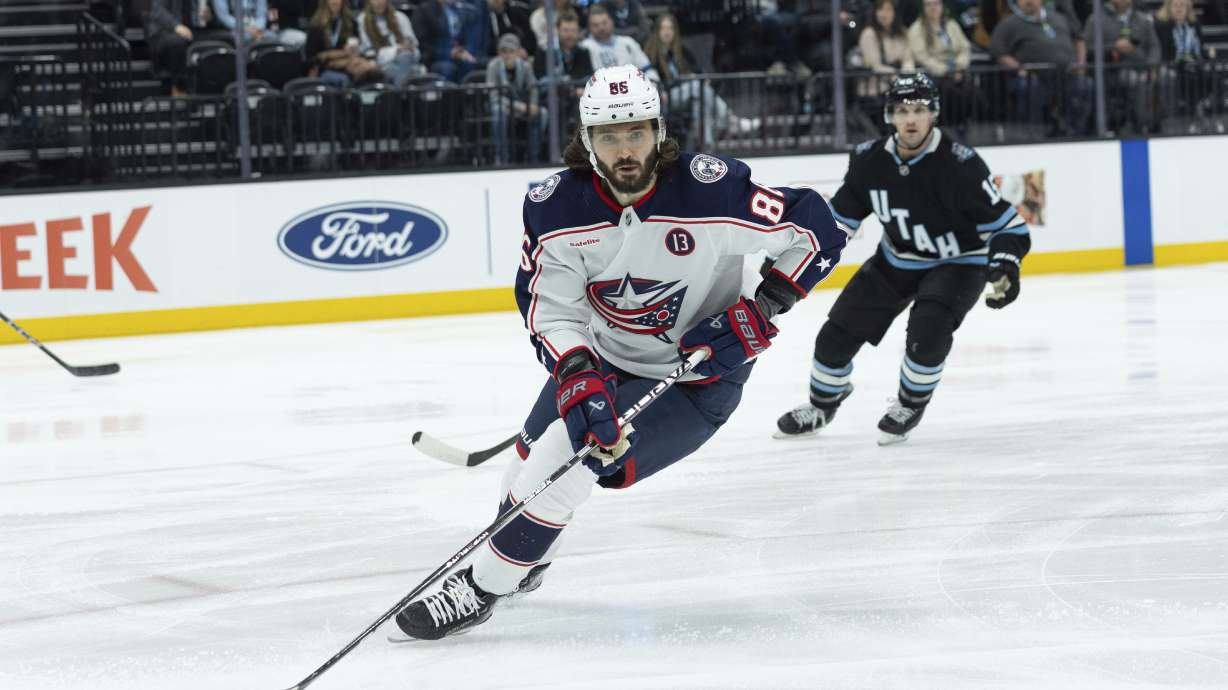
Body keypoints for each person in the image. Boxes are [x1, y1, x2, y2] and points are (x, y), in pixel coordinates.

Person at [389, 64, 846, 641]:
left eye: (636, 132)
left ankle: (481, 590)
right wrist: (577, 367)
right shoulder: (555, 208)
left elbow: (818, 228)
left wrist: (767, 302)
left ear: (659, 130)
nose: (624, 149)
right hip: (603, 357)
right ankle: (521, 561)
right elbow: (548, 307)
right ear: (586, 140)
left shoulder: (714, 190)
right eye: (608, 136)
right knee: (525, 464)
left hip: (695, 380)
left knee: (566, 452)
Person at [774, 74, 1031, 445]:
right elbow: (837, 223)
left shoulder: (961, 164)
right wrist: (790, 256)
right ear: (889, 116)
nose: (911, 119)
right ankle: (822, 404)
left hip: (960, 263)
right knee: (834, 336)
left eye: (920, 110)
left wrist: (1006, 263)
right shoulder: (868, 161)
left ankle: (910, 403)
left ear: (934, 115)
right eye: (902, 110)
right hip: (895, 261)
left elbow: (1011, 228)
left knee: (927, 330)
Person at [642, 13, 759, 147]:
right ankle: (731, 120)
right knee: (697, 87)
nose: (667, 32)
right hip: (666, 98)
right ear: (657, 31)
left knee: (699, 100)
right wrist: (687, 81)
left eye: (670, 28)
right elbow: (657, 82)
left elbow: (698, 71)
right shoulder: (651, 54)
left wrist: (699, 78)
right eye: (663, 28)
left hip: (690, 94)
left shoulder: (681, 50)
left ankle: (706, 144)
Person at [990, 0, 1092, 135]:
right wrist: (1020, 69)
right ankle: (1035, 133)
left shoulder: (1059, 18)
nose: (1028, 1)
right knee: (1028, 88)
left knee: (1084, 84)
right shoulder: (1008, 24)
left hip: (1066, 74)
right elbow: (999, 53)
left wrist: (1081, 65)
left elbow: (1079, 39)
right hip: (1032, 76)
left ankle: (1076, 131)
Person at [906, 0, 975, 135]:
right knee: (950, 92)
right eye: (929, 4)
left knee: (972, 92)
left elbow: (965, 47)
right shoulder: (917, 28)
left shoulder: (951, 25)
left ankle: (965, 126)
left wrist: (959, 66)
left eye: (936, 4)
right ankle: (948, 129)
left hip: (958, 71)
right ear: (923, 8)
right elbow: (922, 56)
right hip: (934, 75)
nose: (933, 7)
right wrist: (946, 71)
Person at [487, 33, 545, 162]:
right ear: (499, 53)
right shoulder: (493, 66)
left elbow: (533, 87)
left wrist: (533, 104)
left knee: (542, 113)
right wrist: (519, 106)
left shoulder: (525, 66)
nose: (507, 55)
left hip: (522, 106)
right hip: (502, 105)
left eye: (511, 51)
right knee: (498, 111)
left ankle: (533, 156)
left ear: (518, 52)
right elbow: (494, 96)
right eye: (504, 51)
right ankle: (501, 157)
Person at [305, 0, 381, 86]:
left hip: (349, 61)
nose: (335, 2)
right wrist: (339, 54)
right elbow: (311, 58)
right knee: (353, 74)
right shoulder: (316, 26)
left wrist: (353, 53)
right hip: (325, 67)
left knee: (373, 70)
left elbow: (357, 48)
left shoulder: (351, 23)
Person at [579, 4, 658, 80]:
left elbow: (648, 70)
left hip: (632, 89)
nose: (601, 28)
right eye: (596, 25)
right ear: (589, 27)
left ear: (612, 22)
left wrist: (654, 86)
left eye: (604, 23)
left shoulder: (628, 42)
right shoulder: (585, 47)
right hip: (602, 91)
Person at [358, 0, 421, 88]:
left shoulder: (400, 17)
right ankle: (401, 94)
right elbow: (369, 52)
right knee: (402, 70)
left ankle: (397, 95)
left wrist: (409, 47)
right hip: (380, 64)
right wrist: (397, 49)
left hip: (406, 60)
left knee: (406, 58)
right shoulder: (362, 20)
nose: (379, 2)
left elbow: (413, 45)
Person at [143, 0, 200, 96]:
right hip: (163, 30)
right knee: (177, 43)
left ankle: (206, 88)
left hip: (190, 30)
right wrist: (176, 26)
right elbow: (158, 11)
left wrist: (207, 17)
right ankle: (178, 87)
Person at [210, 0, 307, 48]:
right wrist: (246, 28)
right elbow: (224, 17)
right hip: (234, 32)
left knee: (301, 38)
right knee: (245, 38)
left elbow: (261, 14)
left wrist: (257, 28)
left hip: (261, 31)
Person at [532, 9, 593, 82]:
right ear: (557, 30)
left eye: (573, 30)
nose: (570, 35)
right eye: (565, 30)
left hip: (581, 92)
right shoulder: (544, 51)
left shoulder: (584, 51)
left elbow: (588, 79)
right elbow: (541, 80)